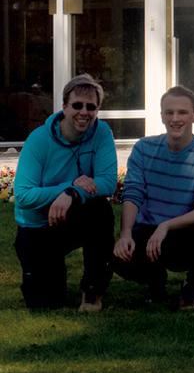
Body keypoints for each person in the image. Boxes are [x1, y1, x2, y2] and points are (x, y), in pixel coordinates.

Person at [112, 86, 194, 309]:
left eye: (182, 112)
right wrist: (125, 234)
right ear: (162, 116)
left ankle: (190, 288)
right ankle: (156, 285)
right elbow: (133, 193)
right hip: (145, 231)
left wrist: (166, 226)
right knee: (116, 253)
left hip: (183, 233)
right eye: (169, 112)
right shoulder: (144, 148)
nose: (175, 118)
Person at [12, 74, 116, 311]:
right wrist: (69, 187)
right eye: (77, 105)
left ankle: (92, 293)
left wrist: (72, 193)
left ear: (97, 110)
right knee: (43, 303)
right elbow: (24, 195)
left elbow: (108, 182)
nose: (84, 112)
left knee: (101, 210)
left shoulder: (101, 133)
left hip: (75, 215)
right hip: (37, 225)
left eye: (91, 107)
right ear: (64, 107)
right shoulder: (38, 139)